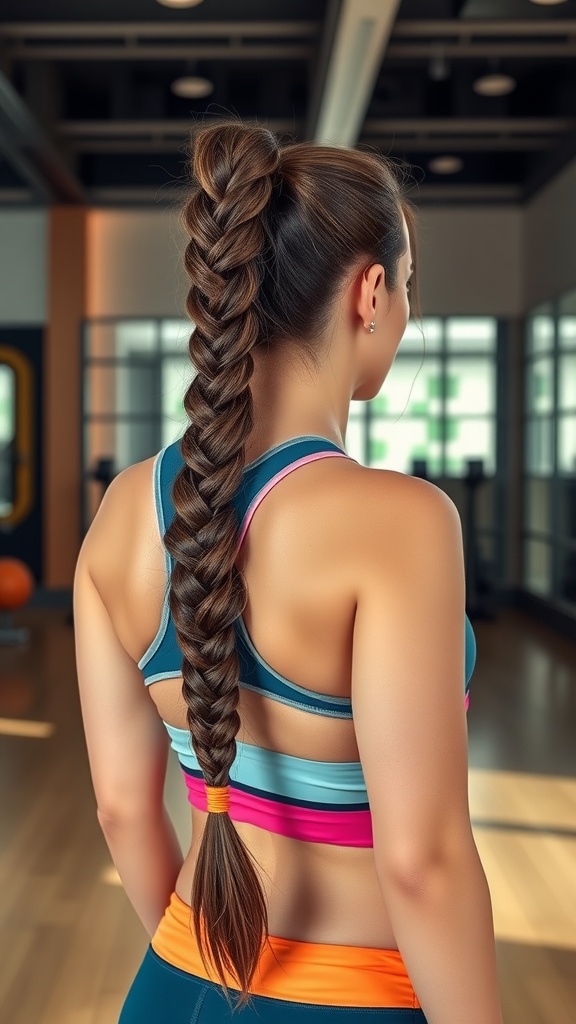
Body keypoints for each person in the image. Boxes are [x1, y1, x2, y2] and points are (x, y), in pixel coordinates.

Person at [73, 119, 505, 1024]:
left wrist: (206, 976)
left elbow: (122, 809)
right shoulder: (403, 524)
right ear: (372, 292)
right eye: (410, 288)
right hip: (353, 1002)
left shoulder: (121, 512)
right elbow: (422, 861)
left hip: (176, 982)